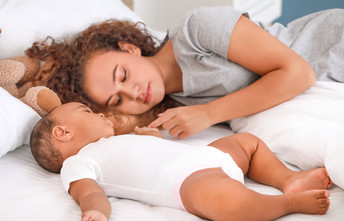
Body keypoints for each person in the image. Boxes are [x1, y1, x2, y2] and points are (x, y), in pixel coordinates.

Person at [26, 7, 344, 138]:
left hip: (332, 45)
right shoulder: (170, 106)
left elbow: (299, 73)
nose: (133, 93)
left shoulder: (196, 30)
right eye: (116, 100)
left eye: (122, 76)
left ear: (129, 48)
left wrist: (208, 113)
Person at [30, 102, 331, 221]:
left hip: (206, 155)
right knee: (229, 202)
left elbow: (151, 152)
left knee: (247, 143)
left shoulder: (120, 139)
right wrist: (96, 213)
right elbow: (90, 192)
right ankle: (288, 203)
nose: (99, 112)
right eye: (87, 112)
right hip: (189, 182)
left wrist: (150, 137)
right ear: (63, 134)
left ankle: (287, 179)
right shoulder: (78, 162)